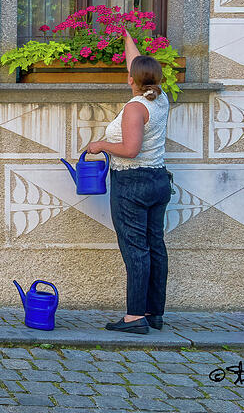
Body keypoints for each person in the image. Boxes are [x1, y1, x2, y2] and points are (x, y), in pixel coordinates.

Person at [84, 28, 172, 335]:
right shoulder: (160, 99)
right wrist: (125, 35)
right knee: (154, 246)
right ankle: (153, 313)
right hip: (158, 180)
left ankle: (135, 318)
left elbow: (130, 150)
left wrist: (100, 146)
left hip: (132, 183)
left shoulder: (135, 108)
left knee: (136, 249)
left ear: (132, 80)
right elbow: (136, 64)